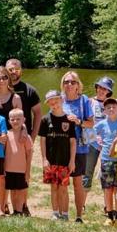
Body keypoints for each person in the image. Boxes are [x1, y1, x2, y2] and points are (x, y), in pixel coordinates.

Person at [59, 71, 97, 223]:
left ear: (78, 85)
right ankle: (64, 214)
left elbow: (91, 123)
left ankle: (79, 216)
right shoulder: (59, 100)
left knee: (77, 183)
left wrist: (78, 122)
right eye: (66, 82)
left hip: (80, 147)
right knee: (63, 182)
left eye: (73, 82)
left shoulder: (84, 101)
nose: (69, 85)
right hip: (61, 147)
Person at [39, 90, 76, 221]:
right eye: (51, 103)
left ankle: (65, 213)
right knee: (54, 187)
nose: (54, 104)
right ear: (48, 104)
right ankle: (55, 213)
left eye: (56, 101)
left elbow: (72, 142)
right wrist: (44, 159)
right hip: (51, 160)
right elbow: (42, 141)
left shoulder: (69, 119)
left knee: (63, 188)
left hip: (65, 160)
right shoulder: (45, 119)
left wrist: (72, 160)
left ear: (62, 100)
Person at [4, 109, 34, 217]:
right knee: (13, 190)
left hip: (21, 169)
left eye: (18, 119)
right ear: (9, 121)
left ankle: (20, 210)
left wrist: (28, 170)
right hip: (9, 168)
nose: (15, 121)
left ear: (23, 120)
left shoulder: (26, 136)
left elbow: (29, 153)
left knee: (20, 190)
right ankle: (15, 211)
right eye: (12, 119)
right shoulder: (7, 134)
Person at [6, 59, 43, 137]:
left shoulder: (30, 90)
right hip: (3, 136)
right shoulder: (0, 88)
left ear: (21, 71)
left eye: (17, 69)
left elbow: (38, 114)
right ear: (5, 71)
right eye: (10, 69)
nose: (14, 71)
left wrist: (32, 137)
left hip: (23, 136)